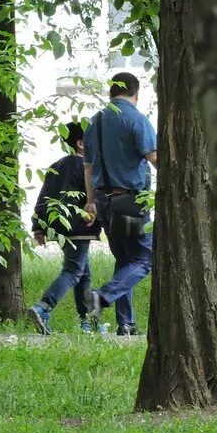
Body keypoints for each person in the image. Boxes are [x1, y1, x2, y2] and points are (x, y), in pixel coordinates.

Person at [82, 72, 157, 336]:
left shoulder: (96, 121)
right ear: (136, 93)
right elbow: (155, 157)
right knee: (146, 259)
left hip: (102, 200)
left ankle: (125, 323)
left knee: (124, 259)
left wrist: (90, 201)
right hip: (130, 200)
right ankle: (103, 296)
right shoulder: (136, 118)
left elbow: (88, 166)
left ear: (111, 92)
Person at [25, 121, 103, 334]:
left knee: (83, 273)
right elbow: (95, 197)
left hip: (59, 227)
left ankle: (87, 322)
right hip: (79, 227)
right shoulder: (85, 167)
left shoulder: (56, 166)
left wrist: (37, 227)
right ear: (81, 144)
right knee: (73, 270)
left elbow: (43, 198)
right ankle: (43, 307)